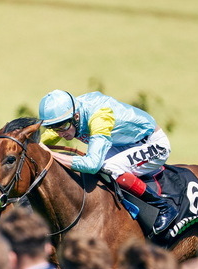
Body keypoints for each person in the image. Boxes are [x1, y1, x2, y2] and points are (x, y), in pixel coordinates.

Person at [38, 90, 177, 234]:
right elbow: (42, 141)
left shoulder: (100, 116)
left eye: (63, 127)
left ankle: (163, 207)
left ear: (76, 116)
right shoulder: (67, 117)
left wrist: (50, 154)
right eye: (54, 128)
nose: (60, 133)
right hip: (121, 145)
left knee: (108, 167)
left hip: (152, 144)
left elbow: (92, 164)